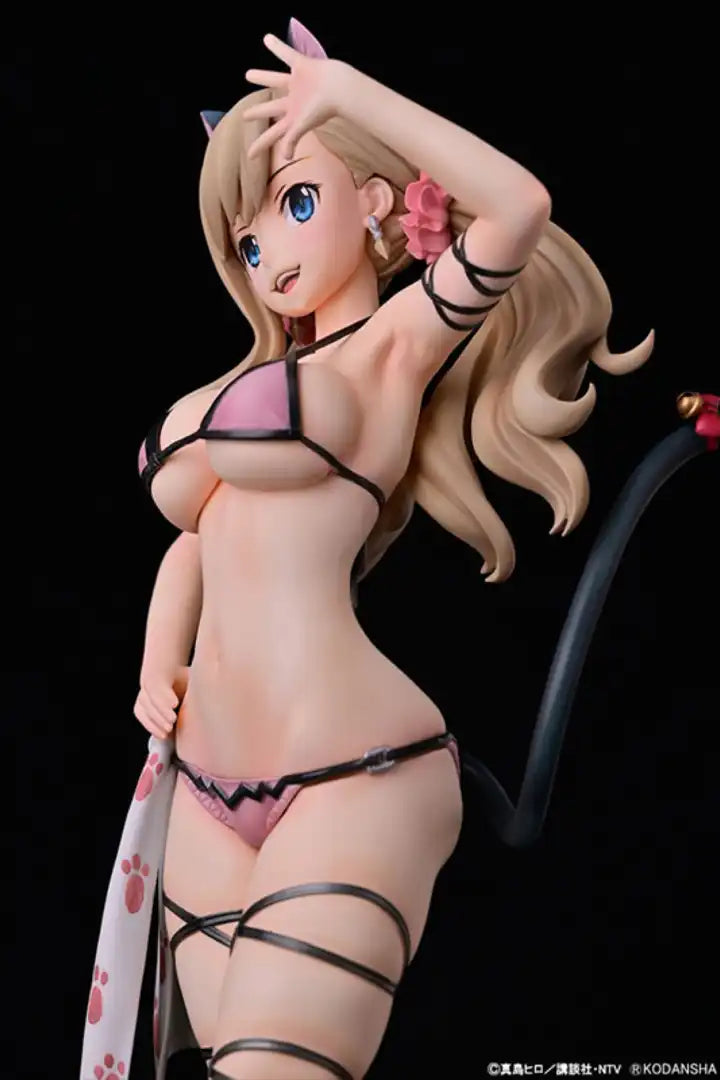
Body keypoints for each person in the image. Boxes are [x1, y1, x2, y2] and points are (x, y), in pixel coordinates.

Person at [80, 18, 654, 1080]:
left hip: (353, 773)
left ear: (377, 199)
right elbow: (200, 542)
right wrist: (159, 662)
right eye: (249, 242)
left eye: (296, 204)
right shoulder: (254, 376)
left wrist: (348, 94)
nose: (270, 256)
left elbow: (519, 208)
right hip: (202, 790)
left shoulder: (392, 347)